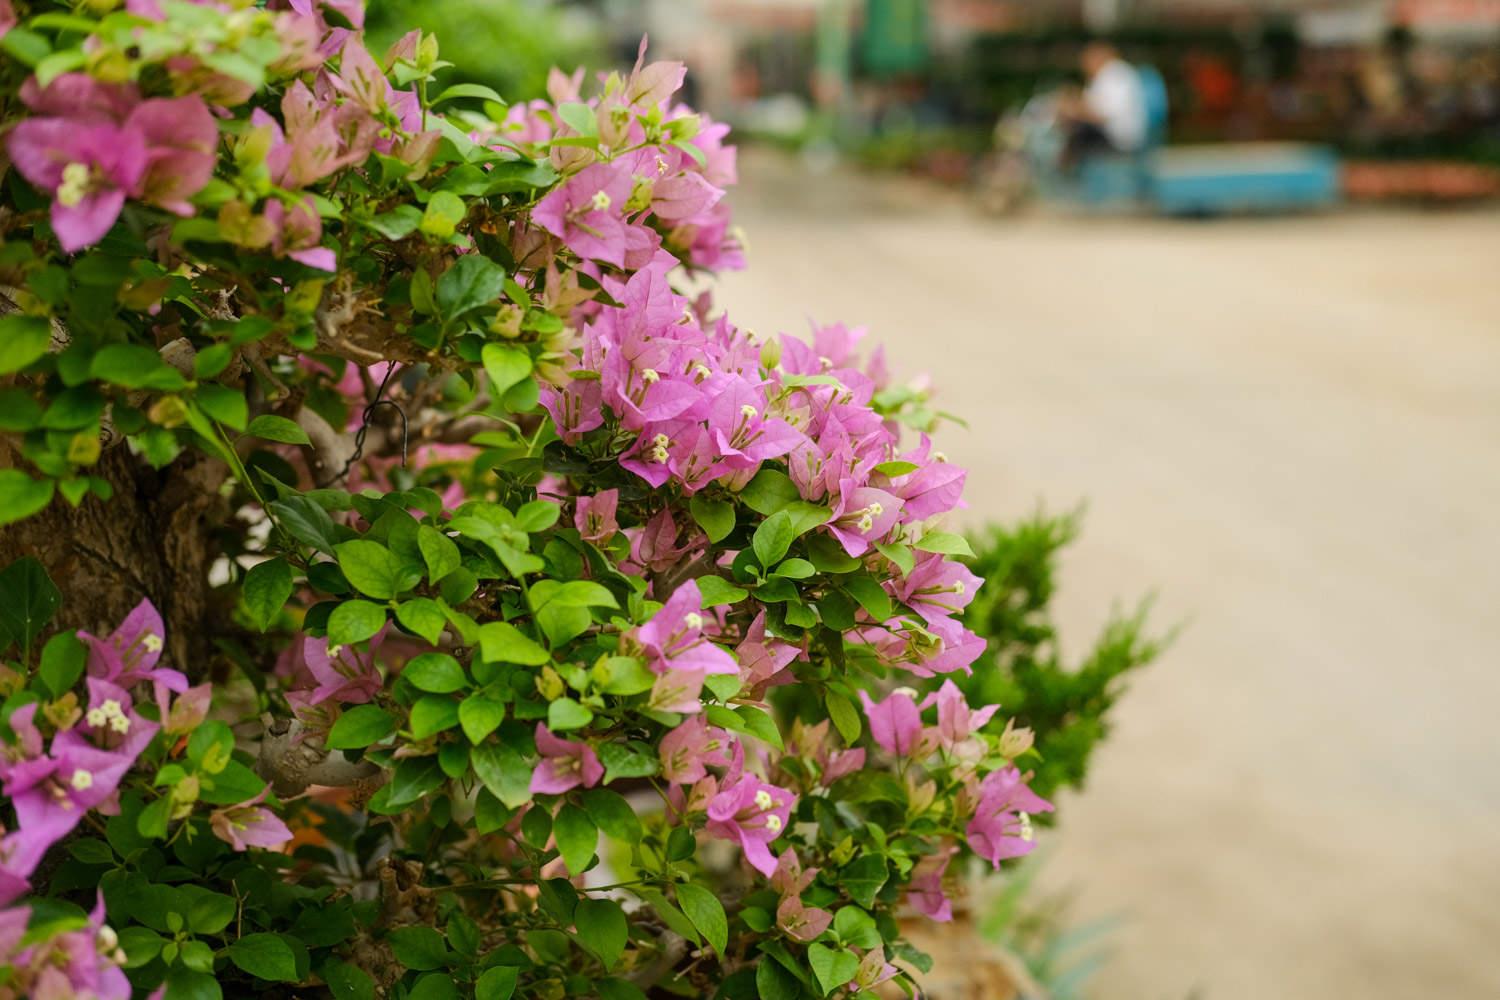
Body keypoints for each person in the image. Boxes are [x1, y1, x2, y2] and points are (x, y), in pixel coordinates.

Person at [1058, 41, 1148, 170]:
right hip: (1114, 135)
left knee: (1077, 132)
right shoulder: (1105, 76)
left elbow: (1105, 113)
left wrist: (1075, 110)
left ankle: (1065, 173)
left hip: (1120, 138)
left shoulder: (1115, 74)